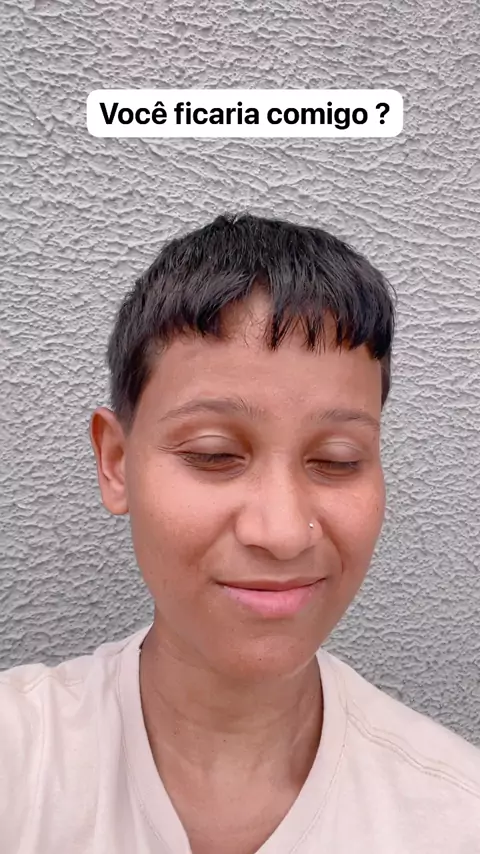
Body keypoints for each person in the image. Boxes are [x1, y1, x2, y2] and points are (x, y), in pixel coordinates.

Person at [1, 214, 479, 854]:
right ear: (116, 462)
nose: (282, 533)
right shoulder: (20, 763)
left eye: (337, 459)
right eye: (213, 453)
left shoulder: (456, 814)